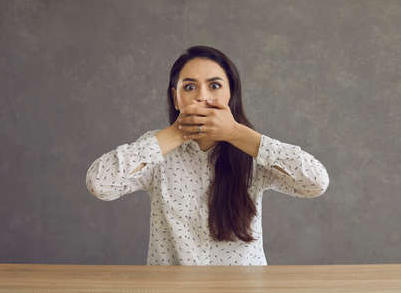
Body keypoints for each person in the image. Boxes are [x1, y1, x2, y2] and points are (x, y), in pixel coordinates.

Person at [86, 45, 330, 265]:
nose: (202, 96)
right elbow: (99, 184)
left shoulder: (252, 149)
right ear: (175, 97)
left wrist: (237, 134)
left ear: (230, 94)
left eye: (214, 85)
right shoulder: (156, 149)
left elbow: (316, 183)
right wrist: (175, 135)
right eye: (189, 87)